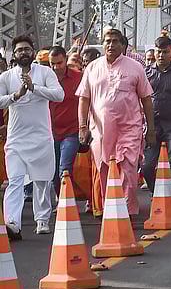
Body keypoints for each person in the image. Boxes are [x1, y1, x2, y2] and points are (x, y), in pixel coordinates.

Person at [77, 29, 155, 216]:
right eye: (107, 41)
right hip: (101, 131)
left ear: (123, 45)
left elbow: (146, 99)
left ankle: (127, 212)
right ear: (103, 44)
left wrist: (151, 130)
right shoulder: (92, 68)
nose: (111, 45)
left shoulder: (135, 67)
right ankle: (110, 211)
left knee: (128, 169)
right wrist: (82, 127)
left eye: (115, 41)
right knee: (104, 170)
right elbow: (83, 99)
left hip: (129, 128)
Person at [0, 35, 64, 239]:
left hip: (41, 137)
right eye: (19, 50)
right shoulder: (6, 77)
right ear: (14, 54)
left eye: (27, 49)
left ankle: (42, 220)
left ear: (33, 52)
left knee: (42, 180)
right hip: (16, 139)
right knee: (15, 181)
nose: (24, 53)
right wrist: (16, 95)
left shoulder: (45, 72)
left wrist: (35, 88)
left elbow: (59, 95)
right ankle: (12, 223)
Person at [144, 35, 171, 204]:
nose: (161, 55)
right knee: (147, 165)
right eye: (158, 52)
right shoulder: (146, 73)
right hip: (152, 126)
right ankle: (156, 193)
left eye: (165, 52)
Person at [48, 46, 83, 197]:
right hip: (50, 133)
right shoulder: (44, 79)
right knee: (52, 172)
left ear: (66, 60)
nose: (56, 67)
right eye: (52, 64)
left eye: (59, 63)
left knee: (65, 169)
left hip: (72, 131)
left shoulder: (79, 77)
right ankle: (60, 200)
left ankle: (67, 202)